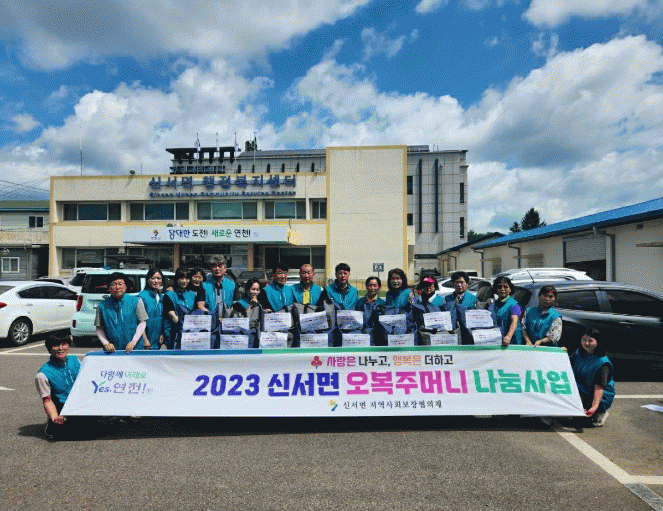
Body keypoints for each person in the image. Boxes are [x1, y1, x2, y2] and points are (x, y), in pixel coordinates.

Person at [35, 333, 80, 440]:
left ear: (68, 345)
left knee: (102, 427)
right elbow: (47, 400)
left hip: (79, 405)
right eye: (56, 345)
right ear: (49, 349)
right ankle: (52, 425)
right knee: (62, 434)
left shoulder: (75, 360)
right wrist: (55, 417)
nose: (60, 348)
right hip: (63, 410)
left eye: (64, 344)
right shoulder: (42, 374)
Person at [571, 327, 614, 426]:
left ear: (598, 342)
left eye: (590, 341)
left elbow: (599, 387)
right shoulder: (578, 353)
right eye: (584, 340)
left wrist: (595, 406)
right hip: (580, 389)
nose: (586, 343)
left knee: (581, 421)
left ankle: (600, 412)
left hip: (597, 394)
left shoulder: (603, 363)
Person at [96, 272, 148, 353]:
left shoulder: (136, 301)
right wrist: (106, 343)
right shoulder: (102, 306)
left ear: (125, 286)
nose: (117, 287)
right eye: (114, 284)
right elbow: (99, 328)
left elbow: (142, 322)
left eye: (120, 284)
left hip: (134, 348)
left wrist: (134, 341)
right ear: (109, 287)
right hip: (112, 351)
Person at [163, 268, 198, 349]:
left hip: (191, 332)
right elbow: (171, 315)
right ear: (176, 279)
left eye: (187, 278)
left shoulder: (192, 294)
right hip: (175, 333)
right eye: (181, 278)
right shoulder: (169, 295)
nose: (184, 281)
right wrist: (185, 326)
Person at [487, 276, 523, 346]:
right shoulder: (492, 304)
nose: (502, 289)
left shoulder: (514, 305)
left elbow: (514, 322)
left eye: (505, 287)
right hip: (496, 342)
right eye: (499, 287)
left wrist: (508, 336)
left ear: (510, 289)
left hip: (511, 343)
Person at [138, 268, 165, 350]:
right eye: (153, 278)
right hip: (146, 341)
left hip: (157, 340)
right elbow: (139, 320)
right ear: (147, 280)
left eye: (158, 278)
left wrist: (162, 334)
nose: (156, 281)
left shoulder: (162, 297)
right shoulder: (142, 297)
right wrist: (144, 339)